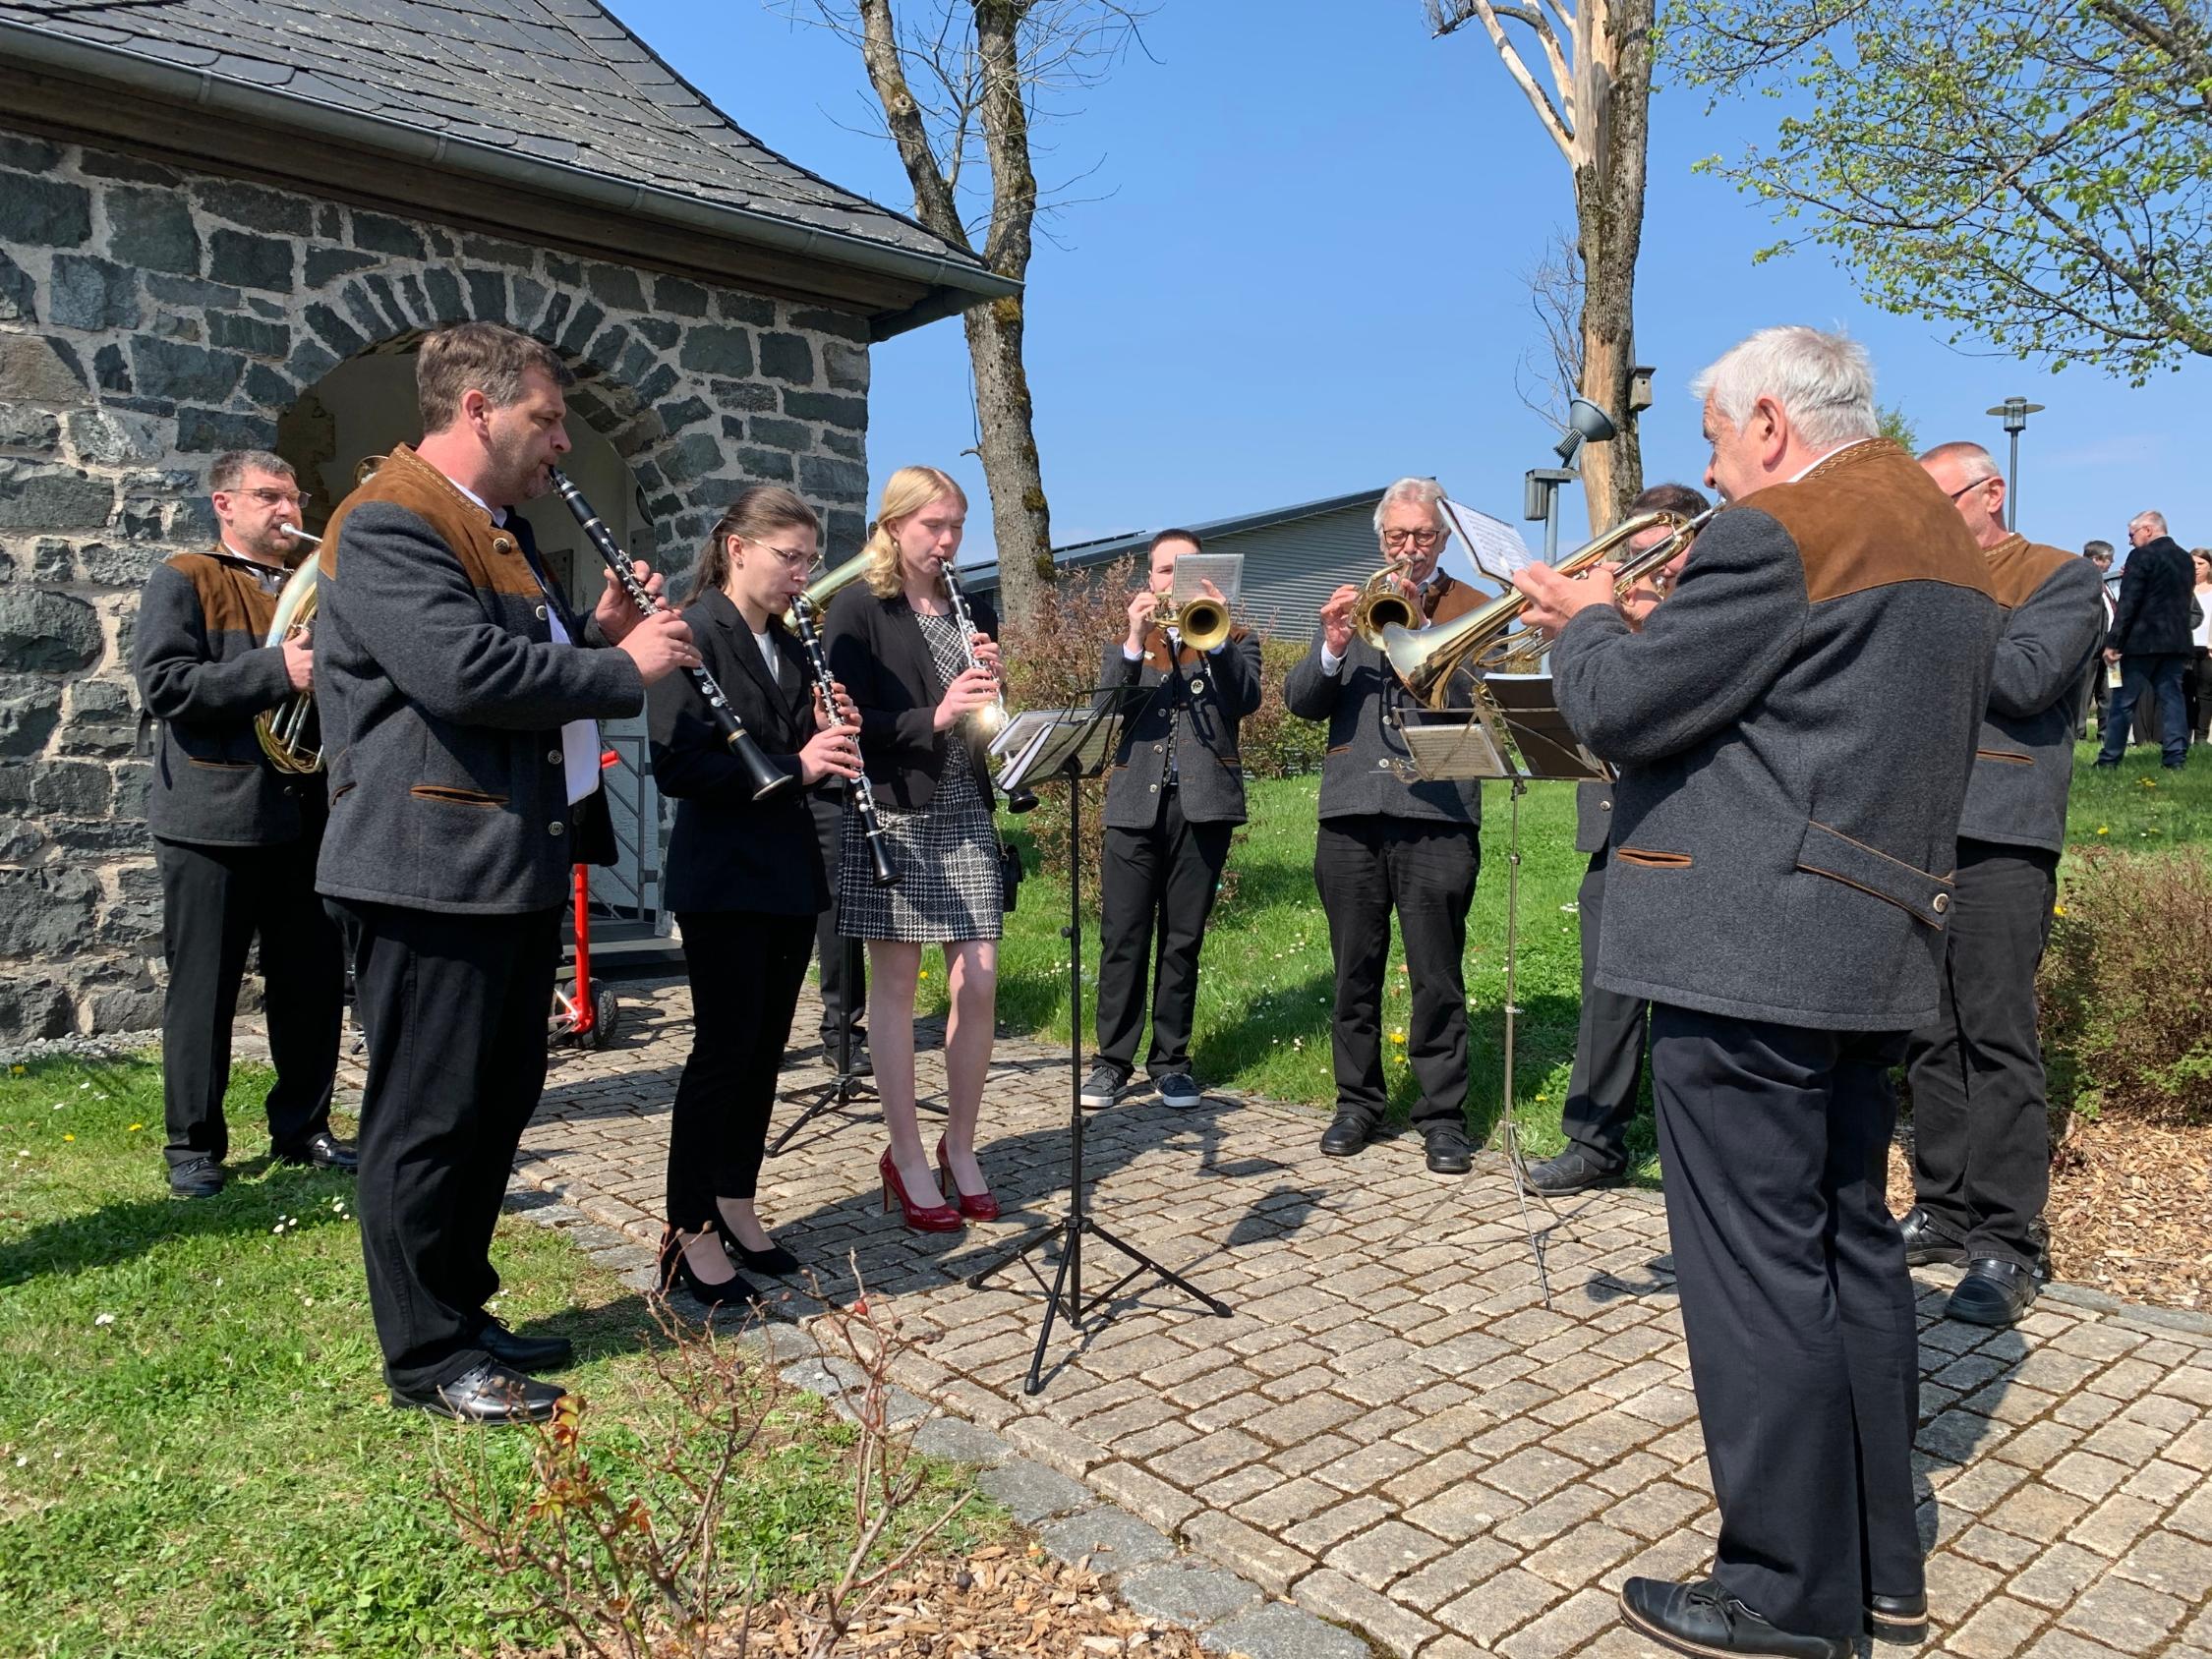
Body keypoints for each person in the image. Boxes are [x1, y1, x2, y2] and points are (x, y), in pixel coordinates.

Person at [1515, 326, 2001, 1659]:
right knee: (1849, 1246)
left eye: (1722, 445)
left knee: (1754, 1276)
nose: (1718, 476)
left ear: (1773, 424)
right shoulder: (1936, 531)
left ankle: (1783, 1590)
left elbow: (1624, 710)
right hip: (1870, 932)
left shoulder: (1778, 530)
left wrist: (1581, 627)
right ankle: (1875, 1568)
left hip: (1746, 943)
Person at [317, 322, 697, 1425]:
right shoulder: (388, 518)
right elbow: (462, 669)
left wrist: (595, 629)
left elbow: (526, 651)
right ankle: (428, 1353)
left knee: (495, 1099)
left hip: (506, 860)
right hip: (425, 864)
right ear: (478, 410)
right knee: (427, 1113)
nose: (563, 441)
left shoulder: (498, 528)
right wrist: (620, 666)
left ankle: (462, 1305)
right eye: (547, 417)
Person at [1899, 442, 2104, 1329]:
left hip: (2003, 830)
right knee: (1926, 1033)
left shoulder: (2057, 578)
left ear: (1992, 491)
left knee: (1994, 1033)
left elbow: (2023, 680)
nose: (1929, 522)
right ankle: (1944, 1210)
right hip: (1913, 826)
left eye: (1942, 503)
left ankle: (2009, 1241)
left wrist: (1937, 604)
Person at [649, 486, 862, 1304]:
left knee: (767, 1049)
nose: (802, 575)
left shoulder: (792, 644)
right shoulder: (692, 632)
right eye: (790, 558)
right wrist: (798, 766)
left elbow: (800, 751)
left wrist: (829, 737)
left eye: (809, 559)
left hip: (787, 871)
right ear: (736, 547)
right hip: (724, 877)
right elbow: (678, 766)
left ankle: (736, 1201)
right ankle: (686, 1231)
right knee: (722, 1054)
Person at [132, 450, 353, 1199]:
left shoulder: (321, 583)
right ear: (224, 503)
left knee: (313, 984)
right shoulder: (186, 576)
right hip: (211, 818)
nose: (288, 511)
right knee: (205, 990)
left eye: (292, 497)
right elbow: (165, 686)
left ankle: (305, 1127)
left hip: (307, 814)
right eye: (269, 497)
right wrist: (275, 673)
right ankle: (193, 1147)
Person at [1283, 478, 1484, 1175]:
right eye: (1397, 537)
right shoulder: (1355, 605)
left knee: (1437, 973)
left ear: (1444, 538)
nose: (1409, 549)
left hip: (1438, 809)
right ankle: (1357, 1102)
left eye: (1422, 536)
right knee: (1352, 971)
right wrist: (1334, 644)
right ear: (1380, 540)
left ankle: (1443, 1115)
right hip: (1350, 811)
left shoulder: (1477, 607)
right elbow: (1304, 702)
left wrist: (1425, 643)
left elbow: (1482, 702)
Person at [823, 467, 1005, 1232]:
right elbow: (848, 718)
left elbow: (979, 709)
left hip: (964, 803)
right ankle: (903, 1152)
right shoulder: (857, 609)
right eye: (934, 526)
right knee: (895, 985)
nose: (948, 541)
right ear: (895, 526)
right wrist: (935, 713)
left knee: (980, 980)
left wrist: (991, 685)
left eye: (957, 526)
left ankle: (959, 1145)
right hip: (893, 811)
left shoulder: (973, 604)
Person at [1520, 482, 1709, 1197]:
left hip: (1689, 824)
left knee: (1690, 996)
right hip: (1611, 822)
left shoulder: (1709, 608)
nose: (1641, 565)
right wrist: (1580, 640)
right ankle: (1593, 1141)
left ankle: (1693, 1147)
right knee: (1606, 985)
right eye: (1630, 552)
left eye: (1653, 549)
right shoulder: (1624, 613)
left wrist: (1620, 630)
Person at [1079, 530, 1265, 1112]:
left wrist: (1212, 643)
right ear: (1150, 580)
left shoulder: (1234, 637)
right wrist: (1133, 643)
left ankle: (1171, 1061)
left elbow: (1245, 700)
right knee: (1123, 936)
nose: (1171, 581)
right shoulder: (1133, 644)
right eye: (1164, 571)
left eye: (1184, 572)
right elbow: (1105, 715)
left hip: (1203, 807)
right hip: (1135, 806)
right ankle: (1112, 1060)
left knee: (1183, 939)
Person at [2094, 510, 2195, 770]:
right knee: (2173, 700)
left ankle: (2109, 759)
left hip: (2142, 641)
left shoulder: (2141, 556)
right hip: (2175, 641)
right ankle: (2175, 759)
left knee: (2123, 702)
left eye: (2132, 534)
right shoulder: (2185, 559)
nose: (2130, 541)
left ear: (2148, 530)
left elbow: (2129, 602)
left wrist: (2113, 642)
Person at [2082, 543, 2119, 738]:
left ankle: (2107, 733)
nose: (2111, 564)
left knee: (2110, 690)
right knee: (2084, 693)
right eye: (2109, 560)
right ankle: (2079, 732)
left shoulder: (2106, 586)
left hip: (2112, 648)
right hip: (2092, 649)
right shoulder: (2083, 583)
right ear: (2097, 560)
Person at [2187, 549, 2212, 743]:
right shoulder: (2183, 589)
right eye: (2192, 563)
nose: (2196, 568)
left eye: (2200, 564)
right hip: (2185, 647)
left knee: (2205, 695)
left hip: (2208, 649)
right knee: (2184, 693)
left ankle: (2201, 738)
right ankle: (2183, 736)